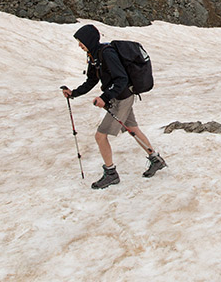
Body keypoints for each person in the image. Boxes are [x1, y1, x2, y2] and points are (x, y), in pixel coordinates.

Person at [63, 24, 166, 189]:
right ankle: (155, 159)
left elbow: (122, 79)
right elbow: (91, 80)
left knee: (100, 136)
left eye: (81, 42)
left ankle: (111, 174)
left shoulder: (107, 54)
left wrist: (104, 97)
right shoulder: (94, 55)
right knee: (132, 129)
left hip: (122, 98)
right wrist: (73, 93)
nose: (79, 45)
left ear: (89, 40)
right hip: (119, 97)